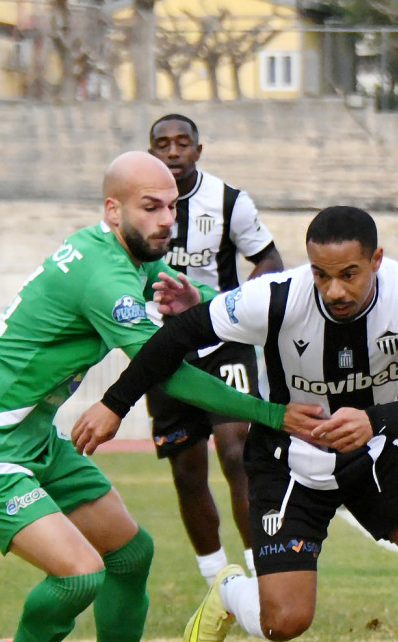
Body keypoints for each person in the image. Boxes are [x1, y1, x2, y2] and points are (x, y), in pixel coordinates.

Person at [0, 151, 318, 642]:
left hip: (32, 438)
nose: (166, 220)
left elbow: (201, 310)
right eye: (150, 207)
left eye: (173, 207)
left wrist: (199, 299)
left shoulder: (127, 256)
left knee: (131, 554)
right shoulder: (105, 277)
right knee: (80, 573)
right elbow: (170, 371)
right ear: (113, 210)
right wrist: (273, 414)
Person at [90, 206, 398, 642]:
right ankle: (232, 592)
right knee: (285, 621)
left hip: (379, 448)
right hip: (289, 460)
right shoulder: (276, 297)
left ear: (376, 260)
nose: (334, 290)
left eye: (349, 275)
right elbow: (177, 336)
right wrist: (114, 403)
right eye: (321, 274)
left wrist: (374, 421)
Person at [145, 114, 285, 584]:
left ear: (198, 151)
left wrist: (243, 304)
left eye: (183, 143)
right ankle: (217, 582)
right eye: (162, 144)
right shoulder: (133, 209)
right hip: (164, 350)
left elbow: (268, 258)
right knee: (187, 467)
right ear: (151, 154)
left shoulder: (228, 201)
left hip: (222, 340)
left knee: (236, 448)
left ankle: (259, 567)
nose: (173, 152)